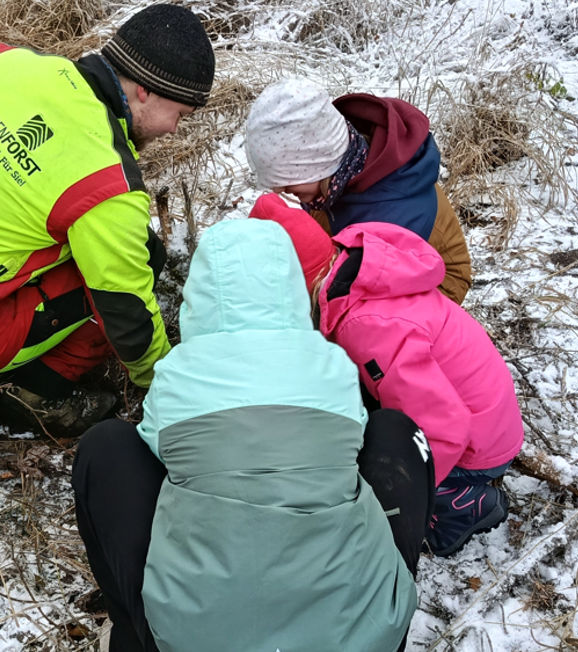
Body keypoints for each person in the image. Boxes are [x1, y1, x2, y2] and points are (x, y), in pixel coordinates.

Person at [71, 218, 433, 652]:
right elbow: (352, 440)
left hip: (196, 640)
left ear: (198, 297)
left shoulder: (176, 375)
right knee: (396, 431)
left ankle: (132, 635)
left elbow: (157, 452)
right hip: (361, 636)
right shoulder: (334, 367)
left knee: (107, 447)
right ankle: (377, 598)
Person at [0, 4, 215, 437]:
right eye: (180, 114)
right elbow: (125, 313)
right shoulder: (107, 181)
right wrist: (161, 382)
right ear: (146, 90)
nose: (175, 129)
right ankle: (34, 395)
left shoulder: (0, 61)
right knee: (139, 260)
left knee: (92, 245)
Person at [250, 193, 524, 558]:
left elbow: (443, 428)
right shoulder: (361, 278)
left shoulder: (366, 326)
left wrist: (404, 492)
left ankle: (459, 504)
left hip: (475, 449)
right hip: (484, 419)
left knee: (371, 482)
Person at [243, 78, 473, 305]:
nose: (279, 189)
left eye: (289, 177)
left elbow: (354, 291)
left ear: (319, 163)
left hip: (429, 285)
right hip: (360, 246)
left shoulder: (394, 214)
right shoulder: (339, 173)